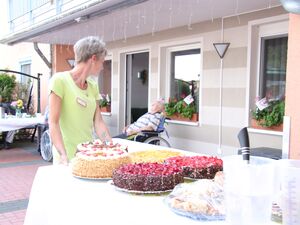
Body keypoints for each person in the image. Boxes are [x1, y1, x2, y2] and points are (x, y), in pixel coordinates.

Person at [49, 36, 112, 165]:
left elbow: (98, 122)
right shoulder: (60, 81)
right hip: (66, 157)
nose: (102, 67)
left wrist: (110, 146)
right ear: (93, 59)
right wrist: (63, 155)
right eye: (102, 62)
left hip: (87, 155)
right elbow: (53, 123)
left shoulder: (93, 85)